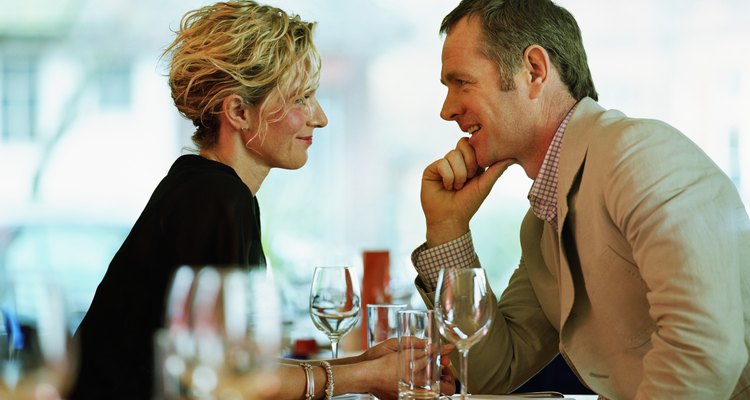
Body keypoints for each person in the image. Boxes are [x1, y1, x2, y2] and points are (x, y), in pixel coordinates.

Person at [70, 2, 455, 399]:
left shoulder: (203, 187)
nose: (320, 117)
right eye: (302, 98)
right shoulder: (216, 198)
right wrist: (364, 378)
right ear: (239, 111)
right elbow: (229, 384)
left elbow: (240, 365)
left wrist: (366, 364)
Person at [411, 0, 750, 399]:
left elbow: (704, 347)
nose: (447, 110)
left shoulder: (638, 155)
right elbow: (492, 369)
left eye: (462, 83)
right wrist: (447, 230)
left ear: (534, 71)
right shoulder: (541, 222)